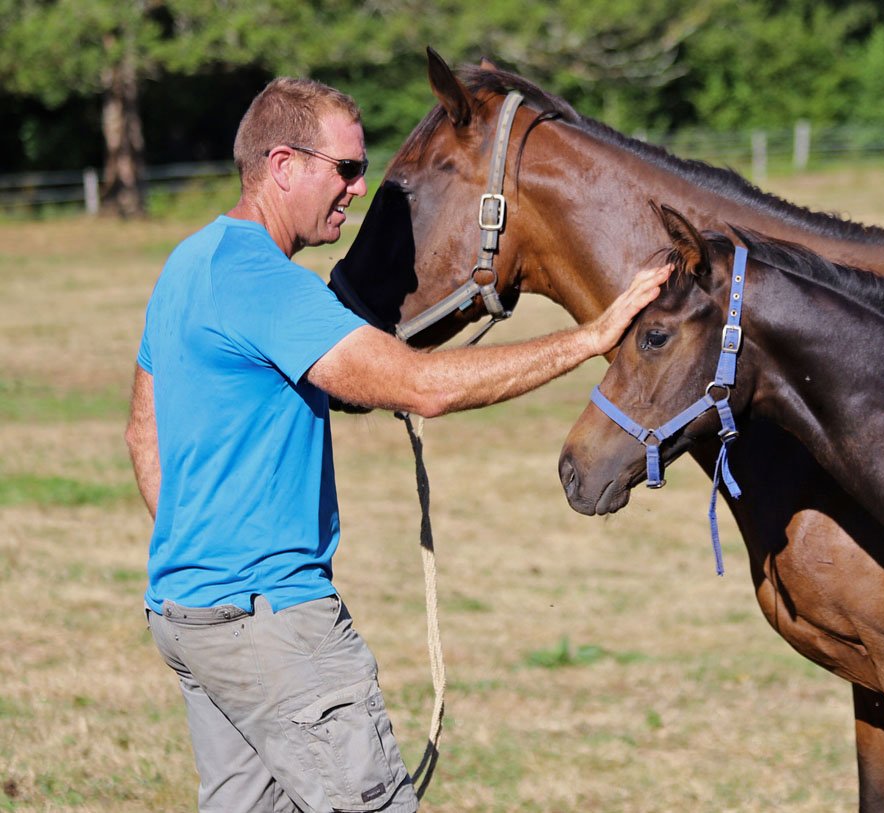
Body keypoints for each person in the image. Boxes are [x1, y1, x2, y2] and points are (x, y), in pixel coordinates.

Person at [124, 76, 669, 813]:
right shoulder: (268, 285)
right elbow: (422, 386)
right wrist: (591, 339)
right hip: (274, 627)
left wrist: (201, 555)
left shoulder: (189, 264)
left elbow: (143, 430)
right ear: (282, 165)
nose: (358, 188)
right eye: (346, 168)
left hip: (189, 618)